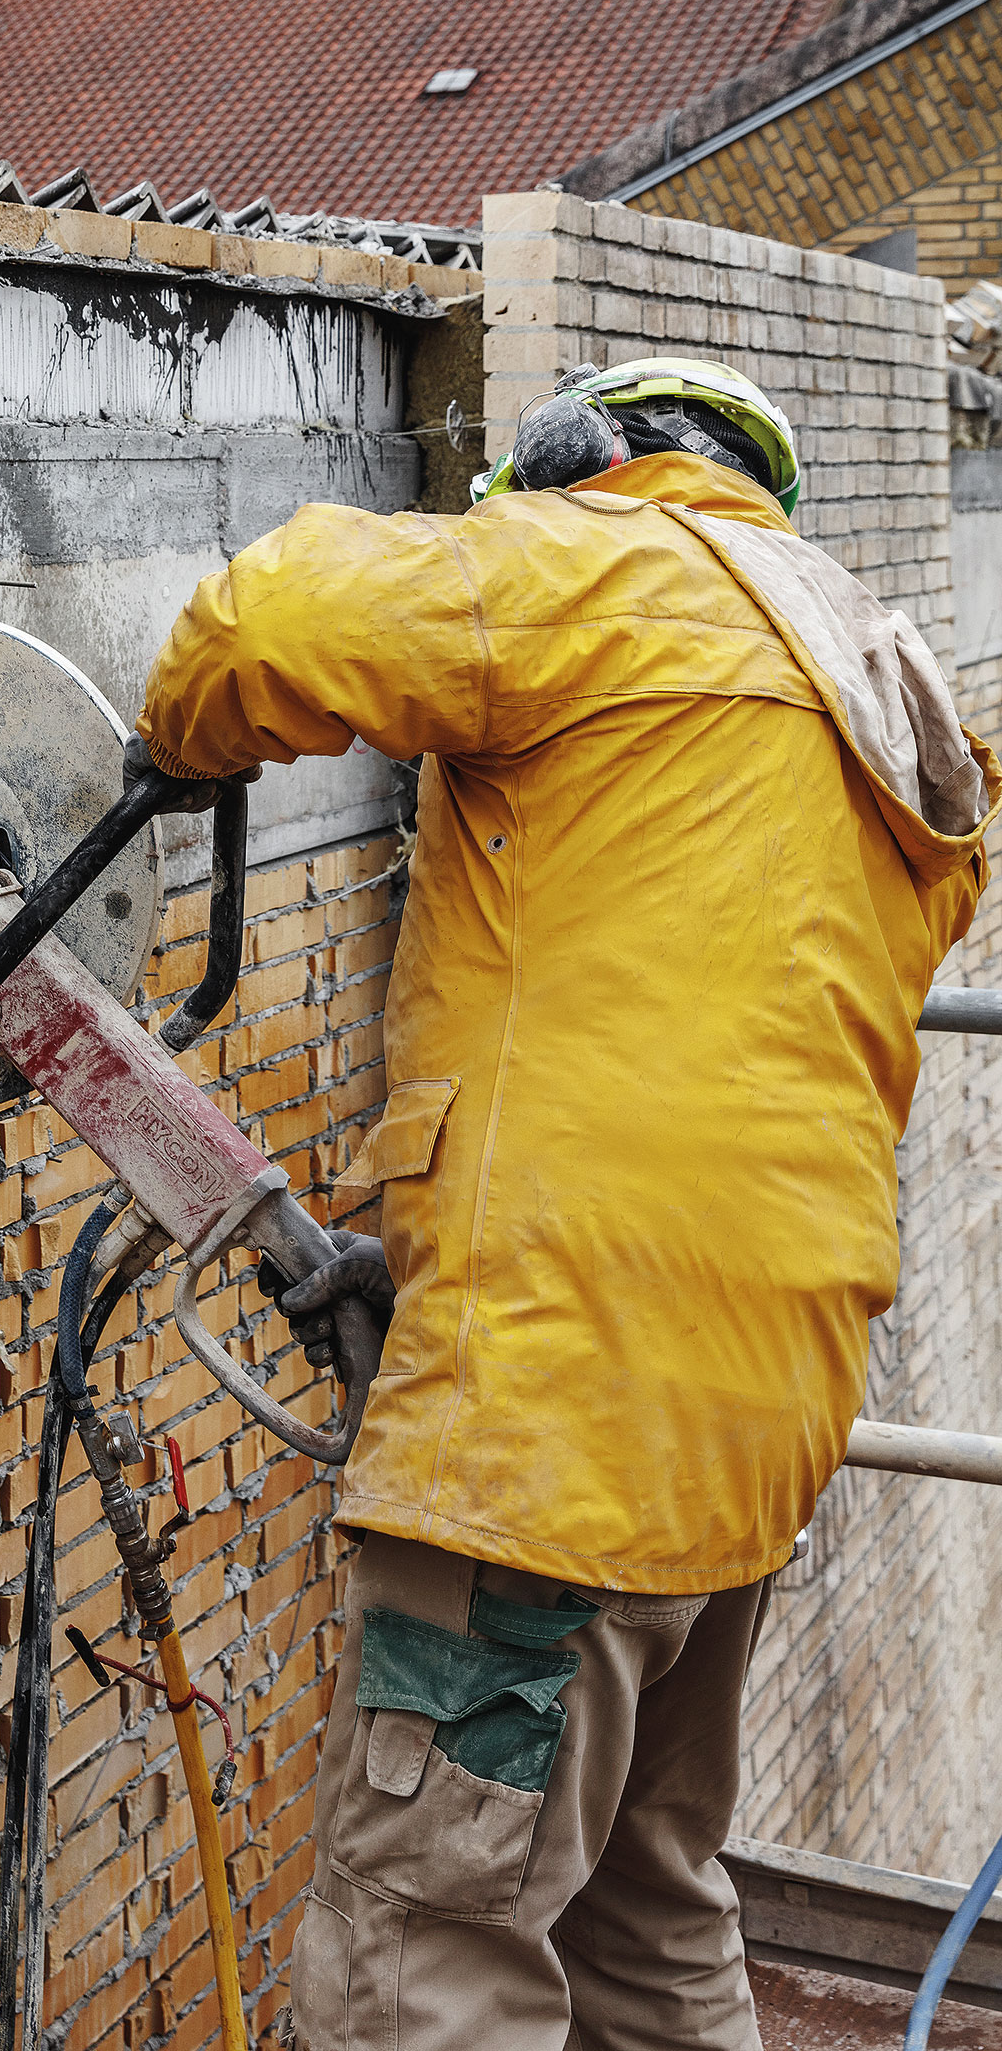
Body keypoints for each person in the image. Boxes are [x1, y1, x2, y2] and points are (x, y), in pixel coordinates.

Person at [130, 357, 996, 2050]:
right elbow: (688, 1019)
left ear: (578, 460)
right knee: (645, 1914)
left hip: (558, 1428)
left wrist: (172, 745)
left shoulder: (596, 563)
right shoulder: (878, 688)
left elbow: (260, 632)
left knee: (427, 1955)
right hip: (752, 1416)